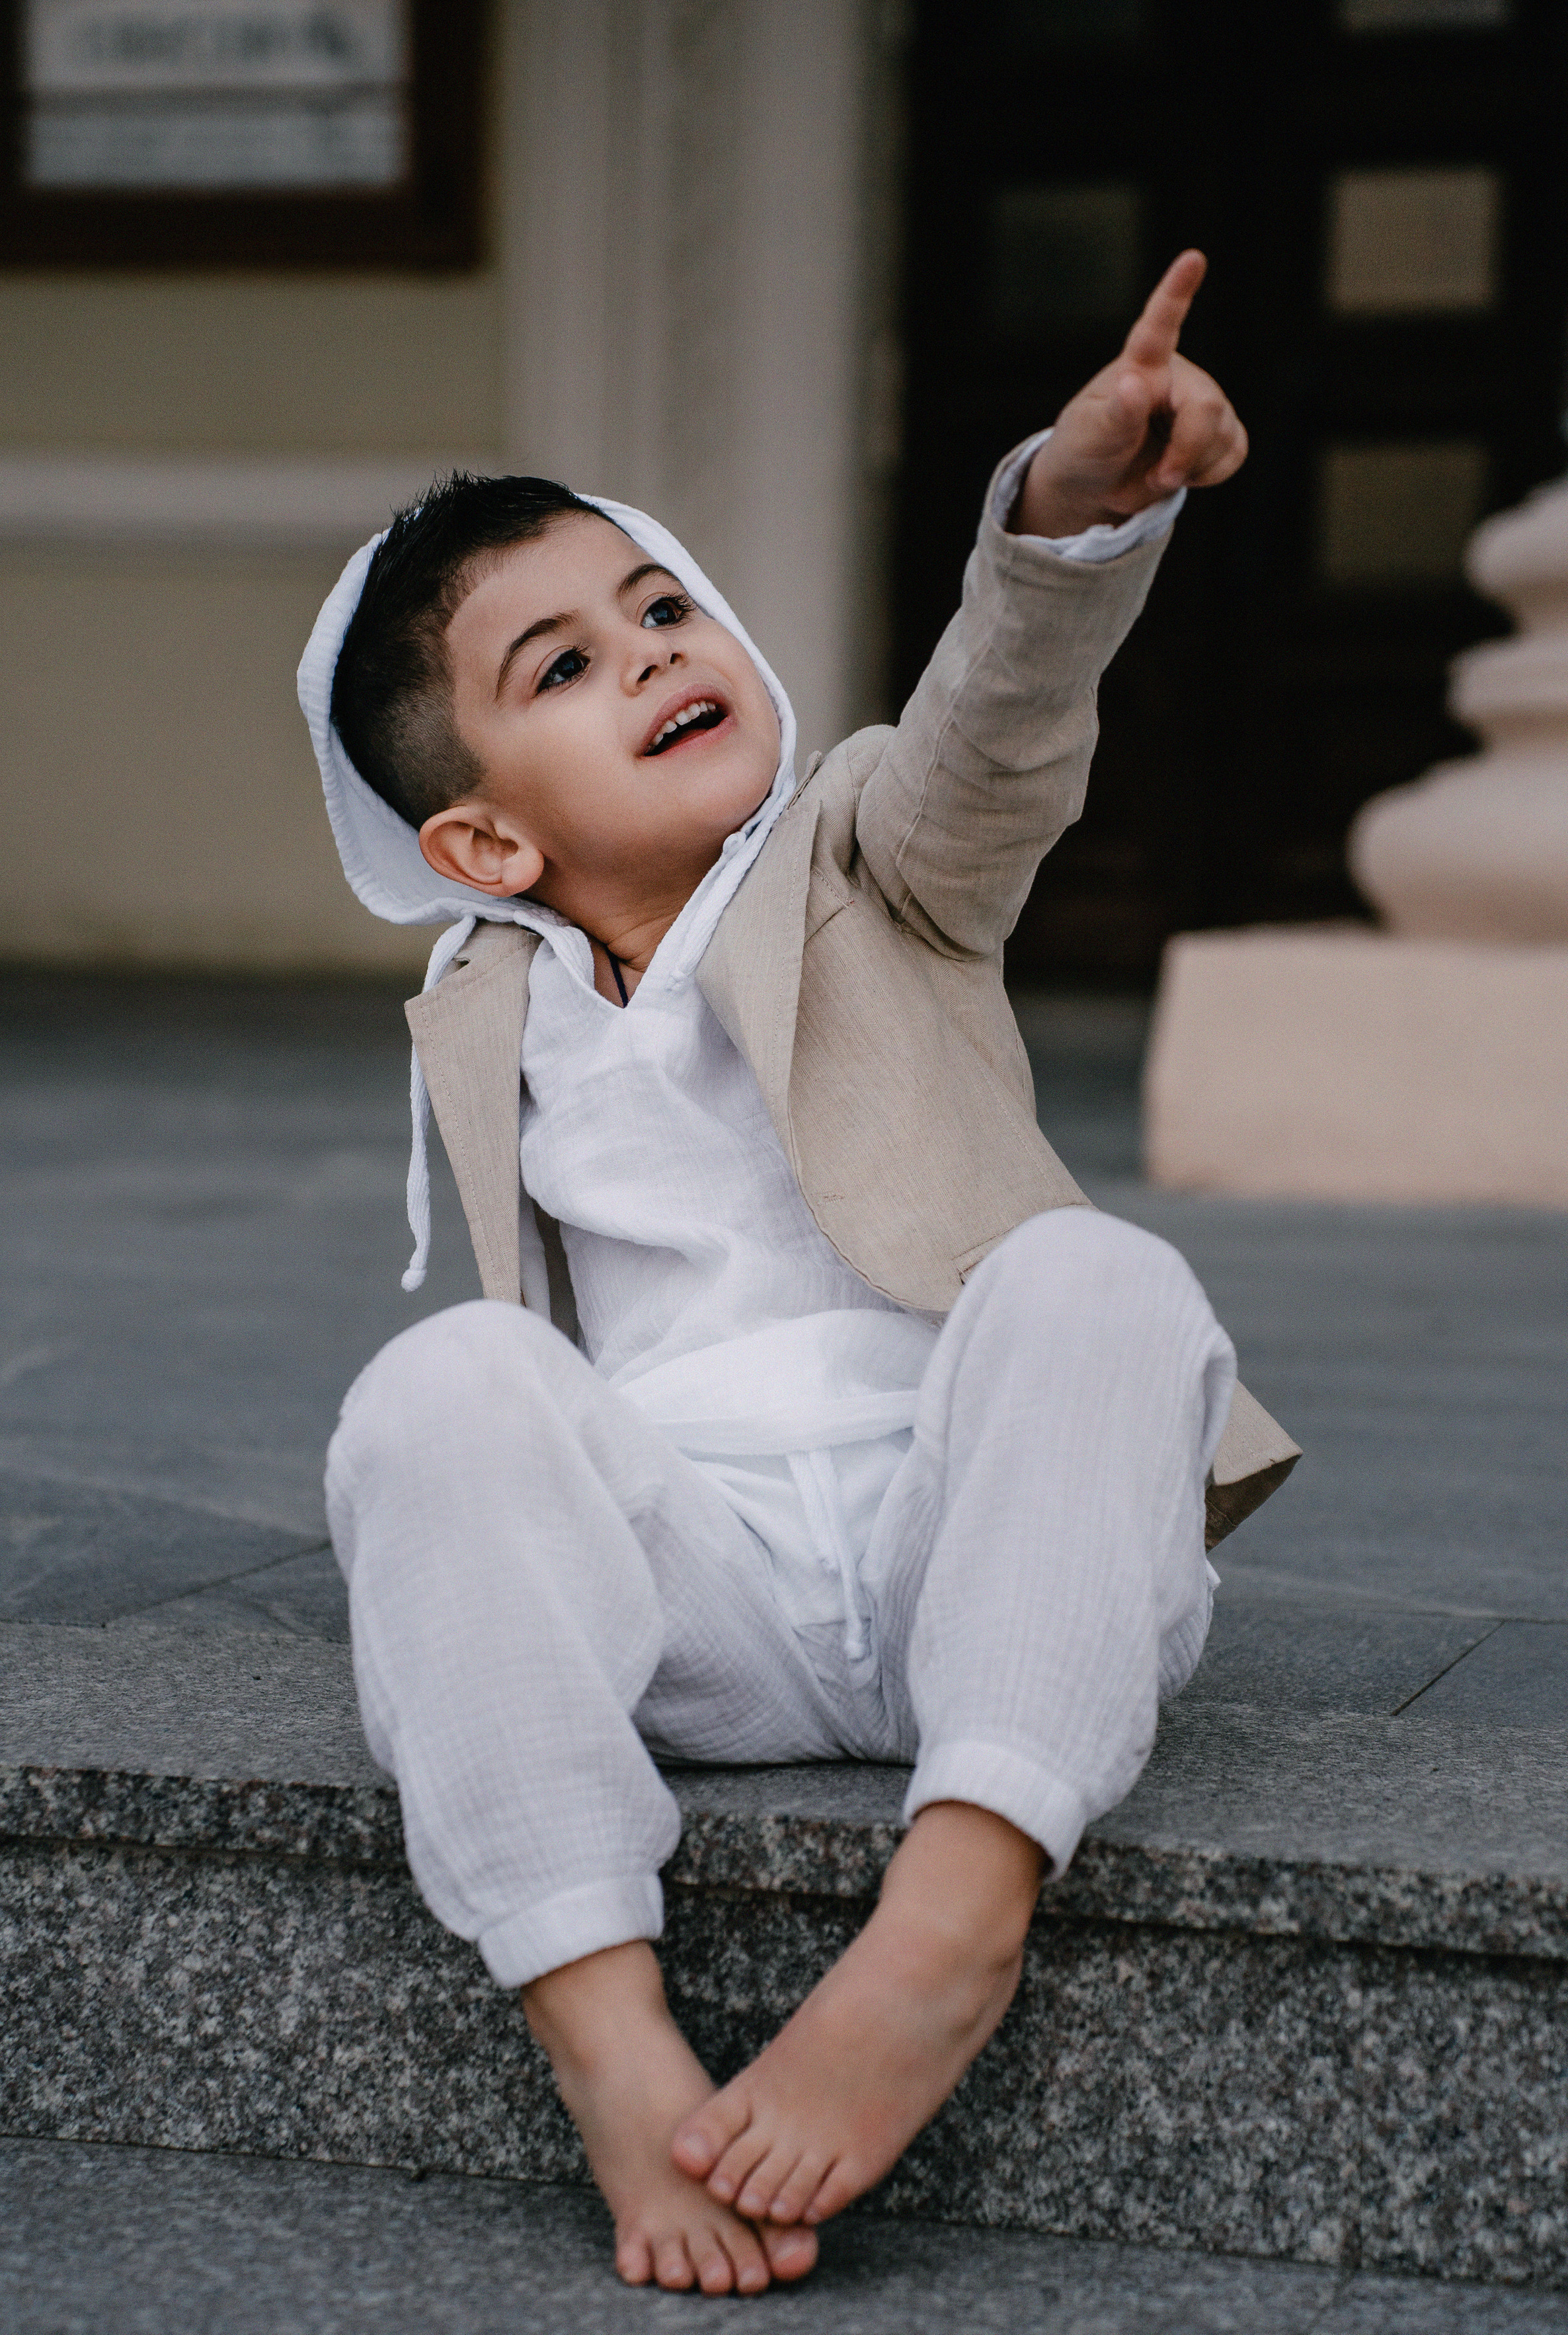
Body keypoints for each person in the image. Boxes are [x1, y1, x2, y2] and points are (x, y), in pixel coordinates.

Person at [297, 250, 1296, 2297]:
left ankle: (952, 1914)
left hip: (981, 1555)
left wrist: (1068, 524)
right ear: (483, 846)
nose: (653, 652)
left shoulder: (869, 853)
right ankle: (601, 2023)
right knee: (436, 1391)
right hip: (709, 1605)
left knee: (1100, 1288)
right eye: (559, 667)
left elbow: (993, 740)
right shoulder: (486, 1004)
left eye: (660, 606)